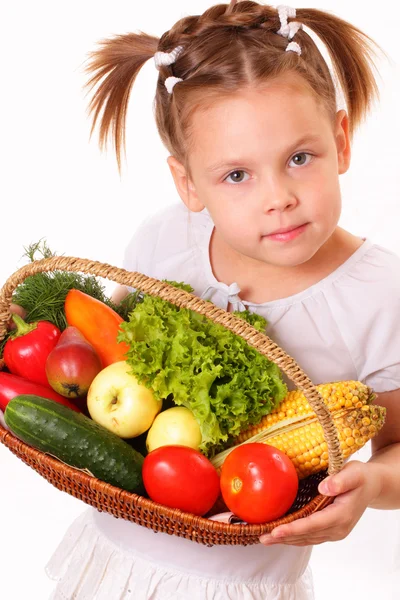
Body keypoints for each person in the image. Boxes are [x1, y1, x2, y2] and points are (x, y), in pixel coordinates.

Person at [25, 1, 400, 598]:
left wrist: (372, 487)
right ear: (188, 183)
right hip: (116, 553)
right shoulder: (166, 238)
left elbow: (398, 449)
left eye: (300, 159)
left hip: (243, 583)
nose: (278, 197)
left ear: (342, 141)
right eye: (236, 175)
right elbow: (108, 353)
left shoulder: (380, 294)